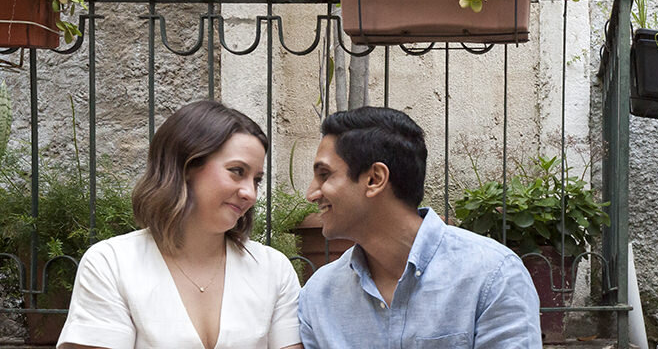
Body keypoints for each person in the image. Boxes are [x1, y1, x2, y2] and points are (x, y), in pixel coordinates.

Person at [58, 99, 302, 349]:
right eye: (237, 171)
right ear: (186, 165)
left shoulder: (274, 270)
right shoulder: (111, 264)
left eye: (257, 179)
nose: (250, 193)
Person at [297, 107, 540, 349]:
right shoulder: (319, 296)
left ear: (374, 179)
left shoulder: (492, 276)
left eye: (325, 175)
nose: (311, 194)